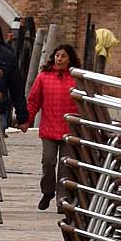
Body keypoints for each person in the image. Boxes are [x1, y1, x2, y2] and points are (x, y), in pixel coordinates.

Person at [23, 44, 79, 211]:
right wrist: (26, 119)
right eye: (57, 55)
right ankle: (47, 191)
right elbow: (34, 101)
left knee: (65, 167)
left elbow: (86, 103)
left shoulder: (76, 79)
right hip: (49, 128)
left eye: (63, 56)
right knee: (48, 162)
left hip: (70, 130)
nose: (59, 58)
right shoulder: (44, 77)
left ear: (70, 59)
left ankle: (62, 200)